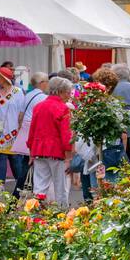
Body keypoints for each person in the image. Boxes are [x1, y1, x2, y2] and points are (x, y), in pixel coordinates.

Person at [28, 76, 75, 207]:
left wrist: (31, 150)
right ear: (60, 91)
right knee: (60, 186)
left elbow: (32, 130)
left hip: (38, 150)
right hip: (56, 151)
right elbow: (66, 134)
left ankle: (35, 212)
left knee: (39, 186)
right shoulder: (62, 108)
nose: (68, 96)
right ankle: (62, 213)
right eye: (67, 92)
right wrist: (69, 153)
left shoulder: (38, 106)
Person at [10, 72, 49, 191]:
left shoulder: (27, 95)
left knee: (26, 162)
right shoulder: (43, 98)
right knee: (31, 163)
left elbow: (20, 115)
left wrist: (20, 128)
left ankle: (19, 191)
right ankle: (21, 191)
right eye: (47, 81)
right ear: (42, 83)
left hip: (25, 130)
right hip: (35, 131)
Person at [0, 64, 22, 190]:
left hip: (13, 129)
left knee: (14, 157)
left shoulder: (17, 92)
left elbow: (21, 110)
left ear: (5, 78)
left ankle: (20, 183)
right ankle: (0, 184)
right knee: (1, 157)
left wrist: (20, 127)